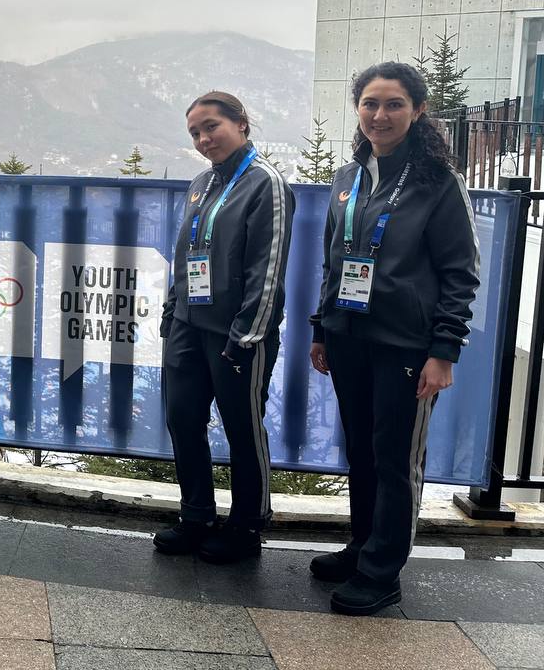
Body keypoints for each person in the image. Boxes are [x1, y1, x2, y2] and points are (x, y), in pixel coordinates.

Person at [309, 61, 478, 616]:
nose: (379, 115)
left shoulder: (438, 181)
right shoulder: (348, 178)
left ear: (418, 110)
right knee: (360, 449)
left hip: (406, 342)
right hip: (348, 335)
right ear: (357, 110)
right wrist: (322, 328)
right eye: (370, 104)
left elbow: (460, 273)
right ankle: (362, 546)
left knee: (395, 457)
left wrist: (444, 350)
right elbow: (334, 260)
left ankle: (383, 571)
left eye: (394, 104)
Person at [155, 91, 294, 562]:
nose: (203, 139)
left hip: (238, 334)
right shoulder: (201, 183)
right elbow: (186, 255)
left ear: (241, 124)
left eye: (211, 126)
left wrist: (247, 334)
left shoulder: (265, 183)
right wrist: (172, 313)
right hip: (187, 326)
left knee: (242, 428)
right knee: (182, 418)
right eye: (195, 132)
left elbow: (267, 267)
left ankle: (247, 525)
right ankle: (196, 515)